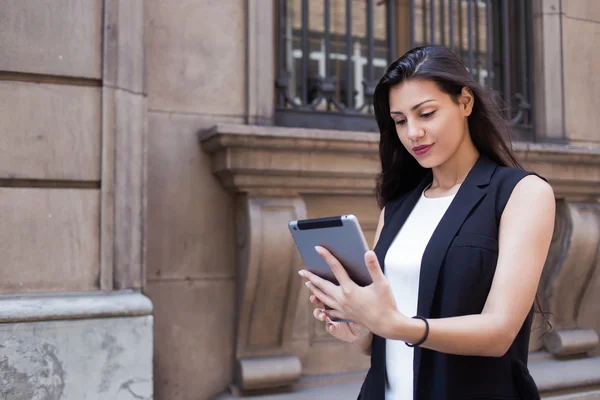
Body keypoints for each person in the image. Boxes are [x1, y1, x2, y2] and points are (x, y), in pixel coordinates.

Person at [297, 45, 555, 399]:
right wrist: (361, 329)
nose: (413, 132)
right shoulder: (398, 206)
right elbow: (384, 334)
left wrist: (399, 326)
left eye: (426, 113)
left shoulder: (521, 194)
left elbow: (500, 331)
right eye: (400, 121)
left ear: (465, 102)